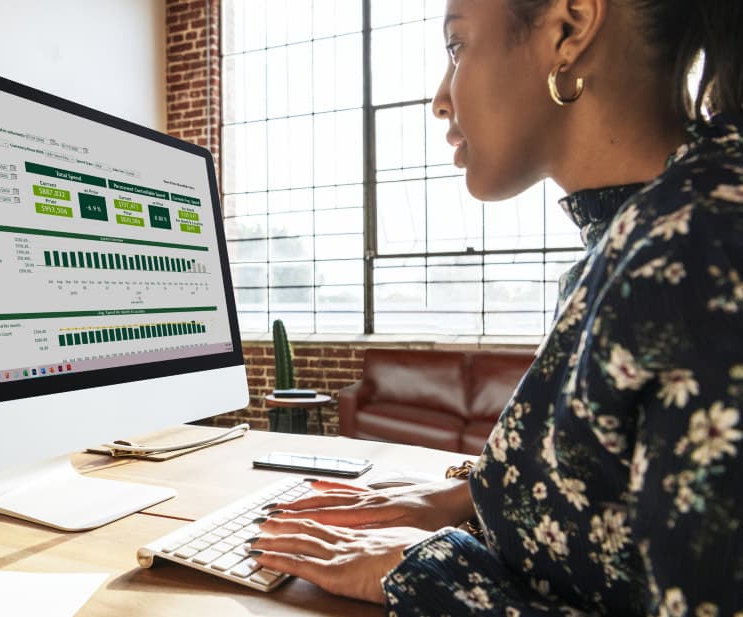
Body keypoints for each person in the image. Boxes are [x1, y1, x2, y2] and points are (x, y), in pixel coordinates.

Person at [246, 0, 743, 614]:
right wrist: (480, 499)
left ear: (570, 26)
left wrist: (432, 573)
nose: (440, 100)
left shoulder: (702, 245)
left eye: (457, 47)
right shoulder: (644, 232)